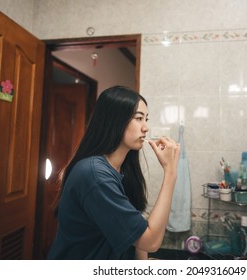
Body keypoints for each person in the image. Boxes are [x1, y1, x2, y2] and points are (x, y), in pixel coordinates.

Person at [47, 85, 180, 260]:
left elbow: (136, 232)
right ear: (115, 120)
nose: (146, 127)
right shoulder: (94, 175)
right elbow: (150, 241)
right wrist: (170, 173)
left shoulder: (121, 168)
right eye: (139, 118)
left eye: (146, 119)